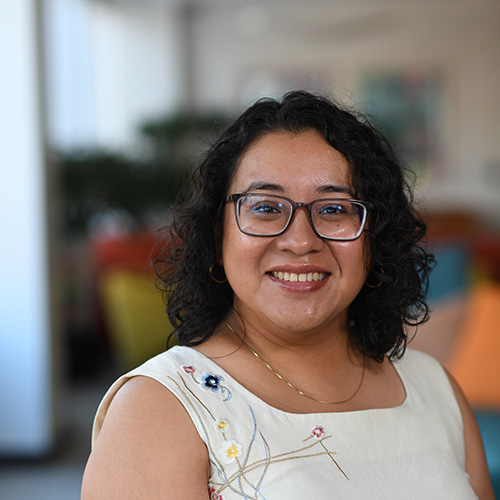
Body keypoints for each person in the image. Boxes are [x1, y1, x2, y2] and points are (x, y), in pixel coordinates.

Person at [81, 91, 494, 499]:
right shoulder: (159, 407)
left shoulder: (436, 387)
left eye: (334, 209)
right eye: (265, 207)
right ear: (218, 232)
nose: (300, 241)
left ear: (374, 238)